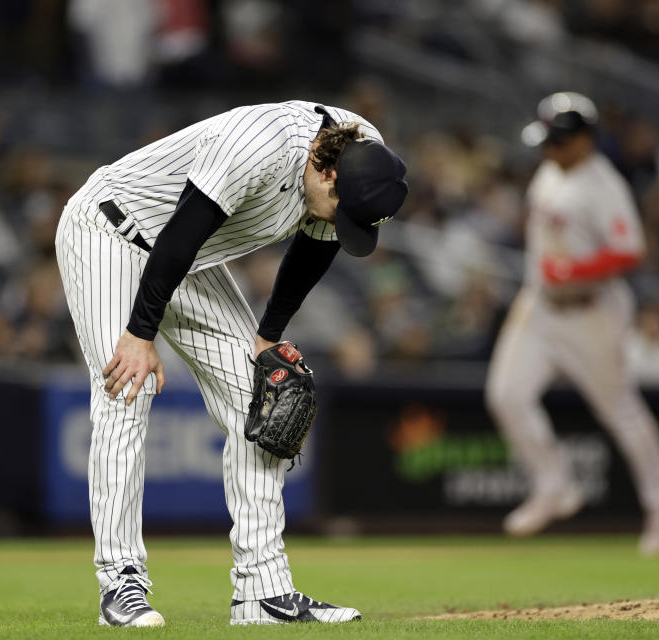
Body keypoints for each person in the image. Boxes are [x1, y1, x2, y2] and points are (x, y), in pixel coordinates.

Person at [54, 101, 407, 626]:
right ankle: (120, 585)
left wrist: (268, 338)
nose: (340, 223)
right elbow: (181, 231)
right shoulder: (258, 144)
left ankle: (262, 593)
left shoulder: (361, 154)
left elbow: (312, 250)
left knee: (261, 400)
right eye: (342, 210)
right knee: (126, 389)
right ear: (325, 171)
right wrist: (139, 333)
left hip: (189, 259)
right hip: (111, 230)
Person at [485, 92, 659, 556]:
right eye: (547, 141)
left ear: (585, 139)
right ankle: (554, 485)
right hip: (539, 307)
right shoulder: (550, 171)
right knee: (506, 396)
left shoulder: (604, 186)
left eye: (558, 141)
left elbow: (630, 250)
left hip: (591, 311)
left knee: (620, 410)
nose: (548, 150)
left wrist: (576, 271)